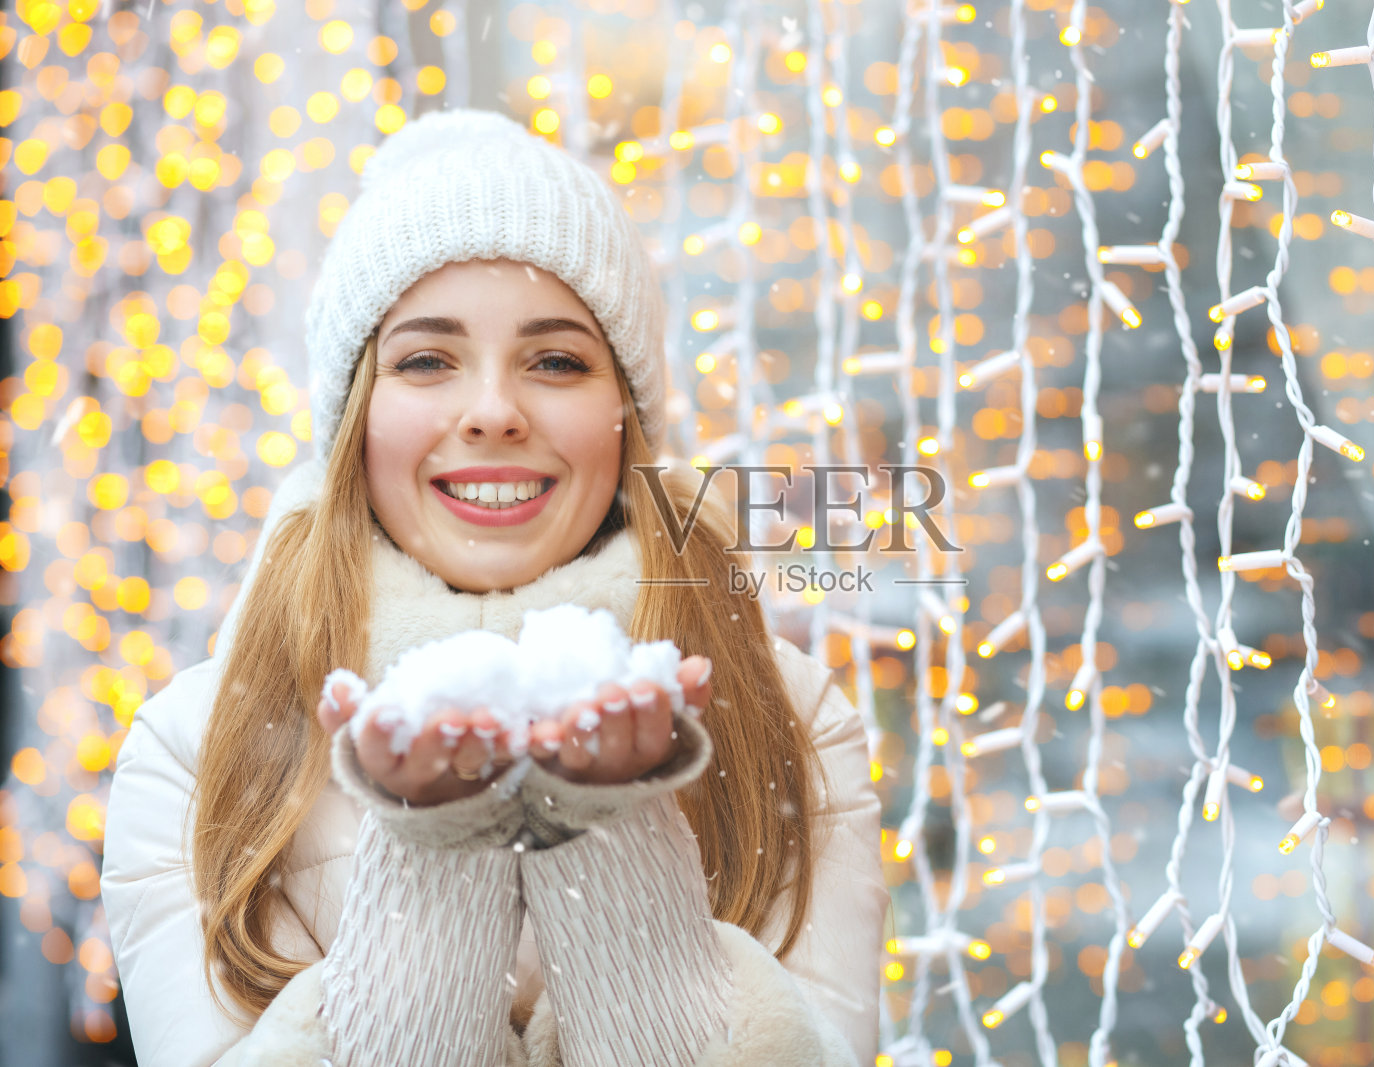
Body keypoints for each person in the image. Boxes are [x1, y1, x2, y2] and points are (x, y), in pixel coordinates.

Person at [100, 108, 888, 1067]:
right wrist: (436, 847)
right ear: (355, 413)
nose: (492, 412)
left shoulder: (794, 719)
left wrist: (606, 825)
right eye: (426, 359)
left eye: (556, 360)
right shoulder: (188, 752)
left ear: (625, 417)